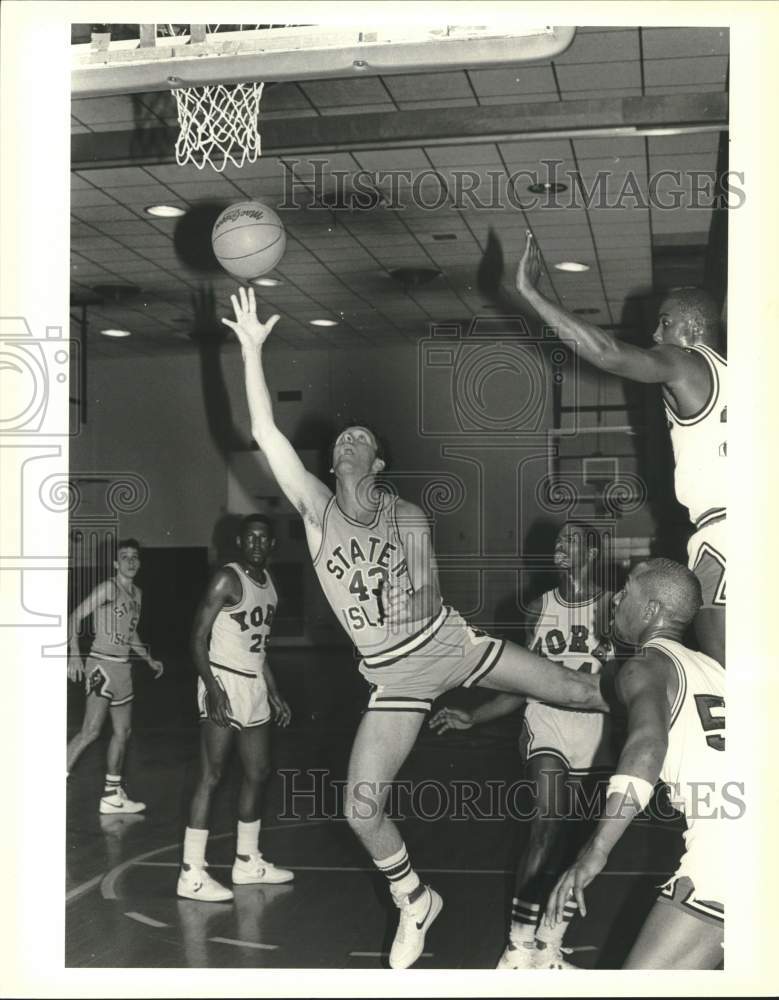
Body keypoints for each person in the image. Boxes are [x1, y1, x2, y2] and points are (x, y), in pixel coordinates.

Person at [221, 286, 612, 969]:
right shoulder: (316, 510)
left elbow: (425, 596)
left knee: (581, 693)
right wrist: (252, 351)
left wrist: (389, 628)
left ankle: (676, 724)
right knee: (358, 809)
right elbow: (265, 435)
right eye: (341, 438)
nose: (346, 440)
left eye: (360, 440)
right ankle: (414, 900)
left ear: (374, 467)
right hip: (394, 676)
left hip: (447, 645)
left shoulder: (404, 515)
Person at [515, 232, 726, 667]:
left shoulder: (687, 362)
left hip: (725, 534)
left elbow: (609, 353)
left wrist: (530, 293)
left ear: (693, 328)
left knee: (728, 680)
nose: (655, 331)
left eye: (664, 322)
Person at [430, 522, 615, 969]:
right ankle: (516, 946)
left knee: (577, 844)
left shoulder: (613, 608)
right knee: (546, 825)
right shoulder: (537, 609)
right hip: (546, 723)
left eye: (570, 540)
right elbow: (523, 683)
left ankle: (549, 944)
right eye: (557, 540)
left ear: (592, 553)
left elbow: (630, 684)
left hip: (598, 731)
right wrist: (473, 715)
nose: (558, 546)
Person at [544, 557, 726, 969]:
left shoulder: (645, 665)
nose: (615, 600)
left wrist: (598, 848)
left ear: (651, 610)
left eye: (625, 591)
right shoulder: (715, 671)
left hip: (728, 848)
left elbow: (646, 746)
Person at [177, 514, 294, 903]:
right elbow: (196, 639)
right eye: (251, 538)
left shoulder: (271, 586)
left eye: (265, 538)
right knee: (212, 775)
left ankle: (247, 861)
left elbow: (260, 650)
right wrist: (212, 688)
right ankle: (191, 873)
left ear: (272, 545)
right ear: (241, 543)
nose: (258, 544)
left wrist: (274, 692)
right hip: (223, 679)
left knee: (259, 771)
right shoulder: (227, 579)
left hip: (255, 683)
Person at [67, 538, 164, 814]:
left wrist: (147, 658)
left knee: (123, 732)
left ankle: (112, 795)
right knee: (91, 731)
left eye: (135, 557)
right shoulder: (108, 588)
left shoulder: (138, 594)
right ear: (115, 563)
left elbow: (130, 632)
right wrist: (74, 654)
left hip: (123, 669)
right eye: (125, 557)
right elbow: (75, 616)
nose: (131, 561)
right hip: (102, 666)